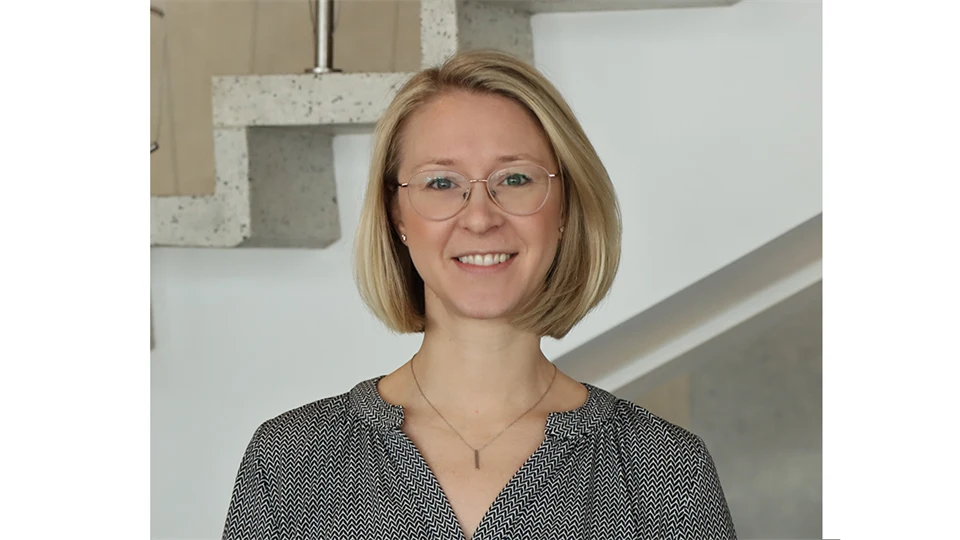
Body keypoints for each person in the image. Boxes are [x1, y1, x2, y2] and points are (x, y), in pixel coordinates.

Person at [221, 49, 737, 540]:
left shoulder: (664, 471)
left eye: (515, 179)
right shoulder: (291, 463)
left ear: (564, 208)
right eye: (441, 183)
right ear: (396, 215)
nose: (480, 216)